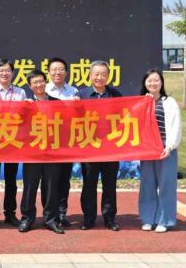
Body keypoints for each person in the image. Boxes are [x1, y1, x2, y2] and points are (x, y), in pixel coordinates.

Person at [77, 61, 122, 231]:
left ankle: (109, 219)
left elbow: (127, 114)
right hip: (89, 149)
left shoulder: (115, 94)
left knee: (109, 184)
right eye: (96, 74)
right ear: (90, 76)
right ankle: (88, 218)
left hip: (110, 148)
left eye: (103, 74)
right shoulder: (81, 95)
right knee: (89, 184)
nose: (99, 77)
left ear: (108, 76)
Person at [18, 69, 63, 234]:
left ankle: (51, 219)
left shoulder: (57, 103)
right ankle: (27, 218)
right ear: (30, 86)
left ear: (46, 82)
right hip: (32, 153)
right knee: (30, 187)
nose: (39, 85)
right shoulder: (26, 105)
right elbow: (17, 125)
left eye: (41, 81)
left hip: (52, 152)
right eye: (35, 82)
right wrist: (23, 109)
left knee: (51, 187)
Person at [139, 68, 181, 233]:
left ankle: (165, 220)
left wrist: (170, 146)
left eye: (156, 80)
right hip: (147, 147)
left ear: (161, 83)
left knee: (166, 184)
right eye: (149, 80)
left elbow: (175, 126)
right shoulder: (141, 102)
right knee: (147, 184)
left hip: (165, 146)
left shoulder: (170, 102)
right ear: (145, 83)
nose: (153, 83)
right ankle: (148, 219)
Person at [0, 59, 26, 227]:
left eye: (8, 70)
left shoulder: (20, 92)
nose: (4, 73)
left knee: (11, 179)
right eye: (1, 70)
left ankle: (10, 213)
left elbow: (25, 114)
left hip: (12, 140)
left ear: (12, 73)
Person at [45, 57, 78, 227]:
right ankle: (49, 213)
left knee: (65, 178)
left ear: (66, 72)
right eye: (54, 69)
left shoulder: (73, 91)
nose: (57, 72)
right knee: (50, 180)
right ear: (49, 72)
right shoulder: (43, 89)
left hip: (66, 141)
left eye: (61, 69)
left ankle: (62, 212)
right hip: (47, 141)